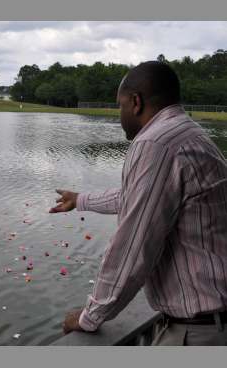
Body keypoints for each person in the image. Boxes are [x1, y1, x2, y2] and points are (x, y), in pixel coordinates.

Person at [49, 61, 227, 345]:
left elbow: (132, 246)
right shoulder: (190, 134)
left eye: (119, 106)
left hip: (198, 334)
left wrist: (90, 316)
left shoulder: (155, 144)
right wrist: (80, 199)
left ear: (135, 102)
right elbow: (143, 198)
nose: (119, 115)